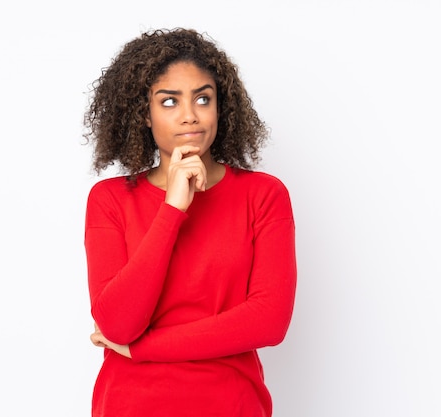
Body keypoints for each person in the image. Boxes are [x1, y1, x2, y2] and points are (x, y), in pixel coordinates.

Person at [83, 28, 296, 417]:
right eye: (169, 101)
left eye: (203, 98)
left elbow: (268, 322)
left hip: (231, 405)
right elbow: (117, 324)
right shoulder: (110, 200)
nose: (189, 116)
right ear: (143, 114)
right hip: (131, 405)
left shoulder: (263, 195)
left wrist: (143, 349)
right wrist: (172, 209)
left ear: (221, 108)